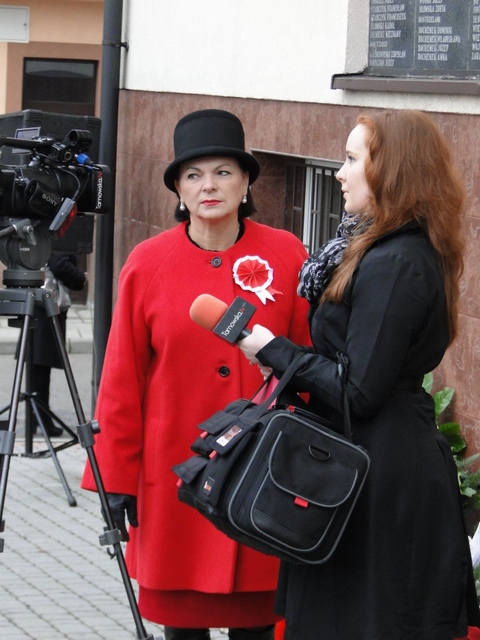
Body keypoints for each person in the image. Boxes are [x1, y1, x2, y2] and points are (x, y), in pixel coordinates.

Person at [237, 109, 480, 640]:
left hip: (381, 478)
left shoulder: (396, 261)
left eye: (351, 159)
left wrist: (274, 349)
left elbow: (360, 390)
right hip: (361, 466)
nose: (339, 172)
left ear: (392, 170)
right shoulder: (378, 248)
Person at [81, 109, 311, 640]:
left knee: (259, 623)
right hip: (174, 478)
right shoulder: (148, 262)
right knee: (182, 627)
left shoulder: (286, 253)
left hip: (261, 474)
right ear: (179, 191)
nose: (209, 186)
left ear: (246, 181)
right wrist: (115, 478)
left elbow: (308, 361)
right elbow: (121, 380)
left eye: (223, 172)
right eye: (194, 175)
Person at [31, 253, 86, 437]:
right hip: (44, 315)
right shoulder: (55, 244)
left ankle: (37, 417)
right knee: (39, 369)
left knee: (37, 370)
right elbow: (60, 267)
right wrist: (80, 276)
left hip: (38, 311)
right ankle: (40, 417)